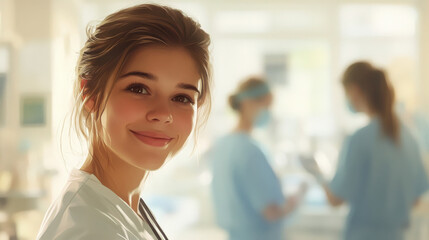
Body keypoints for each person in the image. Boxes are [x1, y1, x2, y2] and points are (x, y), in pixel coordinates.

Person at [37, 4, 211, 240]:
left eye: (182, 97)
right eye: (139, 88)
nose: (163, 113)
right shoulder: (88, 231)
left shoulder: (121, 206)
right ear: (90, 95)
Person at [301, 61, 429, 240]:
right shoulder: (409, 138)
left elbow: (335, 200)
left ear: (354, 90)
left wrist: (317, 173)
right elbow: (415, 198)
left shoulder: (360, 140)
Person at [206, 77, 306, 240]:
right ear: (247, 103)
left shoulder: (222, 145)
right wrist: (299, 195)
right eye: (266, 105)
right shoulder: (250, 151)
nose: (268, 112)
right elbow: (271, 212)